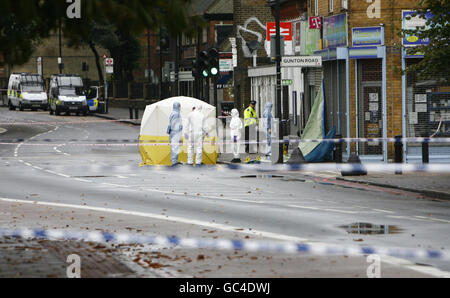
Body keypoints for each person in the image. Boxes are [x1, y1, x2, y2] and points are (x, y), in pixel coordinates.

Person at [167, 102, 183, 166]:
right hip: (175, 132)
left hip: (174, 132)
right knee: (175, 147)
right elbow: (174, 124)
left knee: (175, 146)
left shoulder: (173, 113)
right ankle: (174, 161)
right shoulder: (176, 114)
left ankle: (175, 160)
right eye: (179, 106)